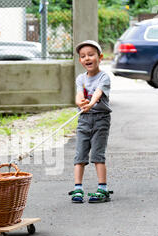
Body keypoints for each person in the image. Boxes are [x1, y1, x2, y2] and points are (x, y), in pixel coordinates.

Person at [68, 40, 113, 203]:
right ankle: (78, 188)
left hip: (101, 119)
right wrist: (80, 103)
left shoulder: (104, 77)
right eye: (83, 56)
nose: (87, 58)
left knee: (97, 155)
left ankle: (103, 188)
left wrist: (91, 103)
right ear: (80, 60)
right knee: (80, 154)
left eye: (91, 55)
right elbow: (79, 94)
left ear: (100, 57)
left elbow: (98, 93)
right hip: (84, 120)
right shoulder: (80, 78)